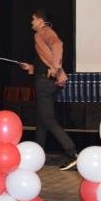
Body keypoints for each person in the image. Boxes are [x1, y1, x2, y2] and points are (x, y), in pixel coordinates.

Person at [19, 9, 78, 170]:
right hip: (46, 81)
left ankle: (72, 153)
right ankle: (37, 156)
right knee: (41, 121)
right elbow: (44, 61)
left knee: (48, 119)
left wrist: (56, 67)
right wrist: (31, 67)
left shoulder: (44, 32)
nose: (31, 22)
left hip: (45, 83)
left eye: (33, 19)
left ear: (40, 20)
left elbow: (58, 44)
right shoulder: (41, 34)